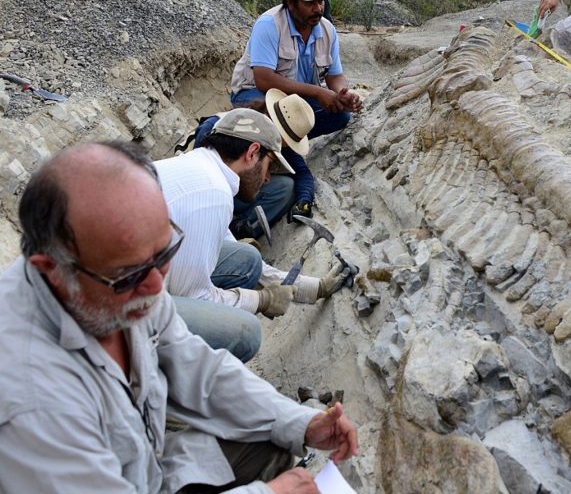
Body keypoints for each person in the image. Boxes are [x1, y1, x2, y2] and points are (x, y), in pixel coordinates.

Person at [0, 140, 358, 492]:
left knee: (272, 434)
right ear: (52, 271)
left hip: (150, 467)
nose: (157, 287)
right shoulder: (30, 401)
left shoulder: (119, 287)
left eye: (163, 253)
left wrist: (301, 422)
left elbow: (198, 366)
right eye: (130, 274)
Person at [156, 109, 348, 359]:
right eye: (270, 166)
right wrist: (261, 300)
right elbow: (195, 296)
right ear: (252, 153)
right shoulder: (212, 195)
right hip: (110, 313)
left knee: (246, 259)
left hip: (122, 276)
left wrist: (314, 289)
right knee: (246, 334)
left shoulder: (200, 167)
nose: (268, 178)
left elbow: (232, 249)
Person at [230, 0, 363, 140]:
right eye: (310, 3)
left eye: (320, 1)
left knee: (340, 116)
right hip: (252, 93)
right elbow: (264, 80)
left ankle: (284, 143)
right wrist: (317, 93)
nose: (318, 9)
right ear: (290, 2)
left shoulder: (327, 29)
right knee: (282, 118)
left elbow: (335, 75)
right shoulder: (269, 24)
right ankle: (276, 147)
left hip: (297, 97)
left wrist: (343, 93)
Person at [194, 89, 318, 240]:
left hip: (234, 192)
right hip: (202, 193)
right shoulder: (220, 126)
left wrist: (304, 200)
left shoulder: (278, 143)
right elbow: (199, 179)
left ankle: (241, 232)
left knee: (286, 187)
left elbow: (302, 173)